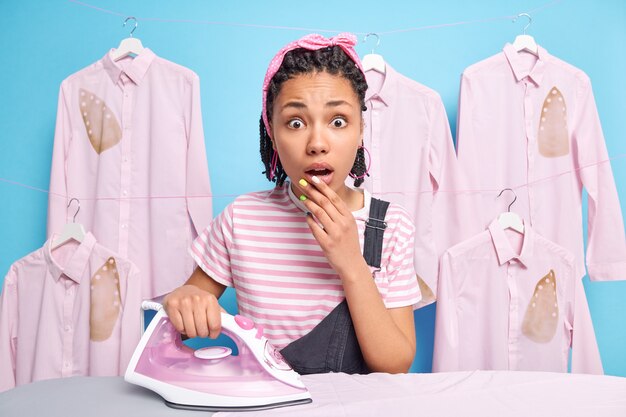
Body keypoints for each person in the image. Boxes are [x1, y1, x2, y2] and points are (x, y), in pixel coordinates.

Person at [163, 33, 421, 374]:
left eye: (338, 121)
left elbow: (395, 365)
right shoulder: (241, 219)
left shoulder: (391, 226)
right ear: (271, 132)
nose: (317, 143)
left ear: (361, 132)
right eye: (295, 123)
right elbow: (187, 305)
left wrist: (351, 264)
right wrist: (183, 300)